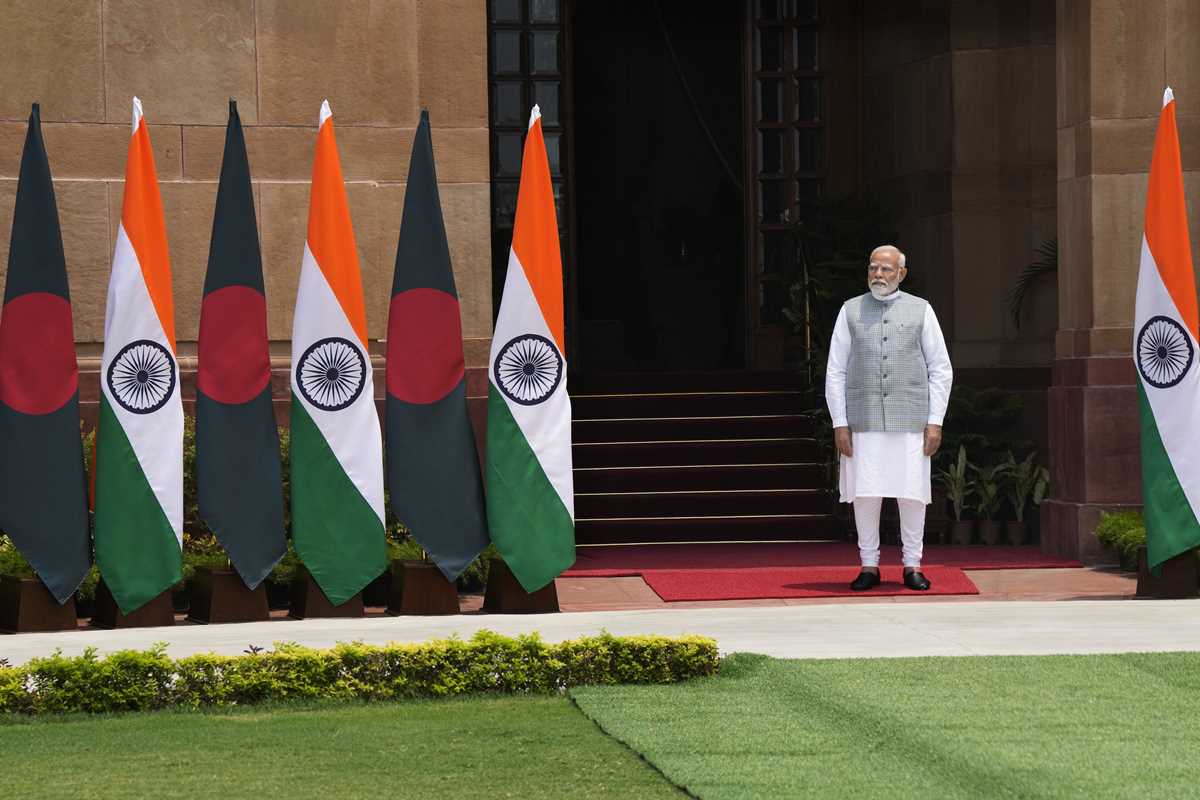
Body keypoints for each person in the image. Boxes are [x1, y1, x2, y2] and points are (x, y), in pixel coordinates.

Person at [824, 245, 953, 591]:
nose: (878, 274)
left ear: (901, 273)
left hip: (910, 420)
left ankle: (913, 565)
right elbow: (835, 370)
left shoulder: (921, 310)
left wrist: (935, 421)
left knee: (912, 494)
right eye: (873, 268)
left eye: (885, 269)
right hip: (862, 420)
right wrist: (839, 422)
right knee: (866, 494)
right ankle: (869, 565)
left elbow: (941, 369)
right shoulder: (850, 310)